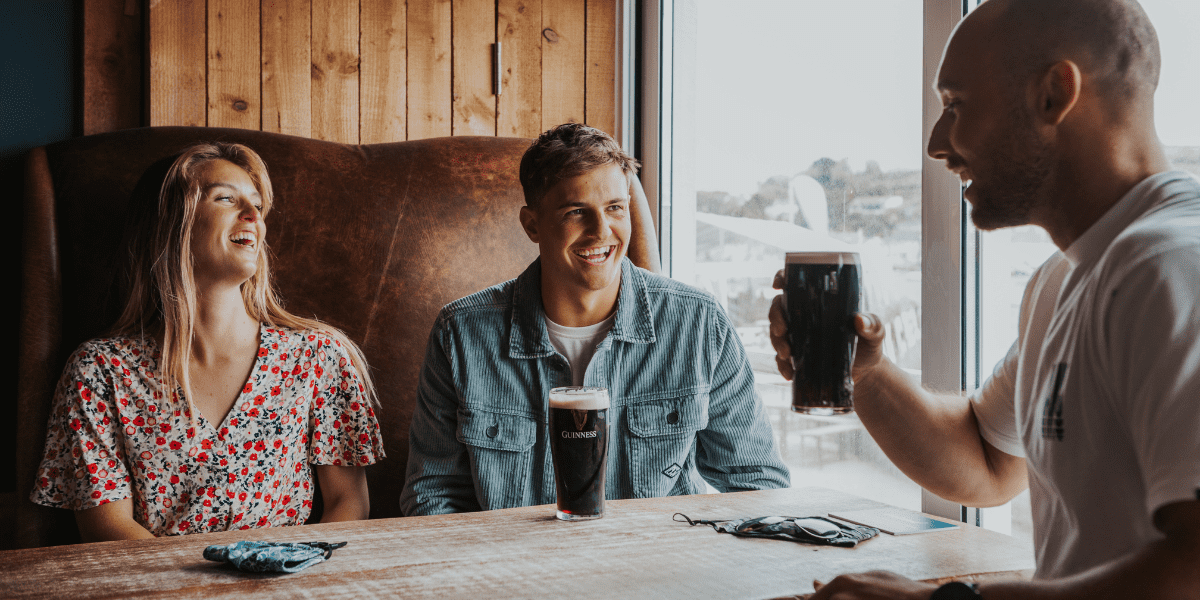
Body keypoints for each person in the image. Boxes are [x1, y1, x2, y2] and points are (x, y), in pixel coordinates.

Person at [768, 1, 1200, 598]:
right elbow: (988, 462)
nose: (936, 143)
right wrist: (864, 372)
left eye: (956, 106)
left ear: (1054, 94)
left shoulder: (1174, 270)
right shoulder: (1065, 278)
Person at [400, 124, 788, 515]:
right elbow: (432, 496)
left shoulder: (699, 322)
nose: (602, 232)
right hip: (514, 570)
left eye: (615, 208)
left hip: (658, 567)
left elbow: (756, 485)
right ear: (532, 225)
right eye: (576, 212)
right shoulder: (460, 334)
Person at [31, 143, 385, 541]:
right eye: (226, 199)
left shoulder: (319, 357)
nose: (254, 217)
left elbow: (348, 504)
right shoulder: (99, 371)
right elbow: (106, 526)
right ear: (170, 222)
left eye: (256, 205)